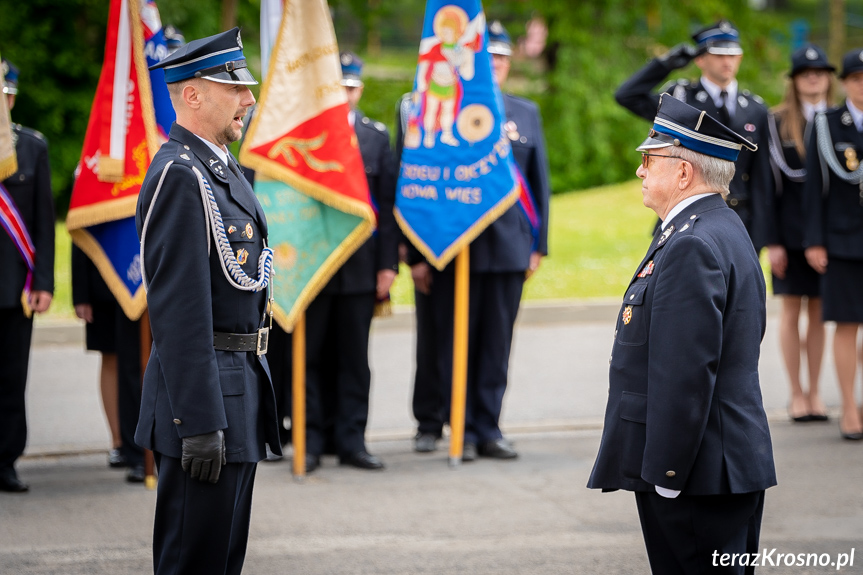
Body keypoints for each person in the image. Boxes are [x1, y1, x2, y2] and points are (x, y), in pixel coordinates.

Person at [587, 95, 776, 574]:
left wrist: (668, 473)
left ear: (684, 173)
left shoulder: (693, 241)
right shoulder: (713, 226)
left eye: (650, 158)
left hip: (696, 474)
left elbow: (684, 373)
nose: (641, 170)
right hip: (714, 464)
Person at [137, 28, 282, 574]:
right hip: (205, 403)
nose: (248, 97)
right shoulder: (180, 174)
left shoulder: (217, 169)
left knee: (222, 561)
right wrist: (199, 422)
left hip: (238, 385)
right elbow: (178, 315)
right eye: (234, 85)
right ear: (193, 95)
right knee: (192, 562)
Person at [407, 22, 551, 459]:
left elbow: (538, 182)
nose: (498, 65)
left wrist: (538, 245)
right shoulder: (444, 110)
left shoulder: (524, 112)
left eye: (504, 59)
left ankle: (488, 426)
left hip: (509, 246)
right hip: (456, 245)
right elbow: (422, 183)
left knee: (495, 344)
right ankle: (460, 430)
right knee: (454, 343)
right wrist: (417, 252)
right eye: (491, 58)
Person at [297, 52, 398, 472]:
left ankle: (352, 440)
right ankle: (313, 440)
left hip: (360, 266)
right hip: (313, 265)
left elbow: (388, 207)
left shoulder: (376, 137)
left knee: (355, 358)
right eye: (337, 87)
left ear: (361, 89)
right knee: (312, 356)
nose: (345, 95)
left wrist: (387, 265)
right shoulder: (303, 136)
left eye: (351, 87)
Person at [615, 20, 771, 249]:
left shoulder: (755, 108)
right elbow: (627, 96)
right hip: (686, 216)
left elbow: (762, 176)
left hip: (740, 218)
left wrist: (761, 233)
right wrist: (664, 65)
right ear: (699, 59)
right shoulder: (680, 97)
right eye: (718, 54)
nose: (727, 61)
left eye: (733, 55)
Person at [764, 44, 834, 423]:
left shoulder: (837, 121)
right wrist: (772, 240)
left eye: (821, 71)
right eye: (807, 72)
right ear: (793, 79)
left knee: (821, 313)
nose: (814, 77)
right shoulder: (775, 123)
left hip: (825, 235)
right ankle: (795, 393)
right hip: (788, 236)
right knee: (792, 311)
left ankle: (815, 391)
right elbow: (768, 186)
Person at [0, 59, 55, 493]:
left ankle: (5, 460)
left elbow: (42, 220)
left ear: (12, 96)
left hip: (13, 287)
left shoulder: (32, 147)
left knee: (11, 376)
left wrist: (43, 282)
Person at [803, 48, 863, 441]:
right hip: (844, 241)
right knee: (847, 326)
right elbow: (813, 189)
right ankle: (849, 409)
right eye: (857, 77)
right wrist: (814, 241)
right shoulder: (827, 124)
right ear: (844, 83)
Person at [72, 244, 145, 482]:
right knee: (112, 356)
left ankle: (148, 443)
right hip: (104, 276)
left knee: (147, 360)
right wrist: (81, 292)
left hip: (149, 277)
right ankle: (119, 442)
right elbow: (81, 224)